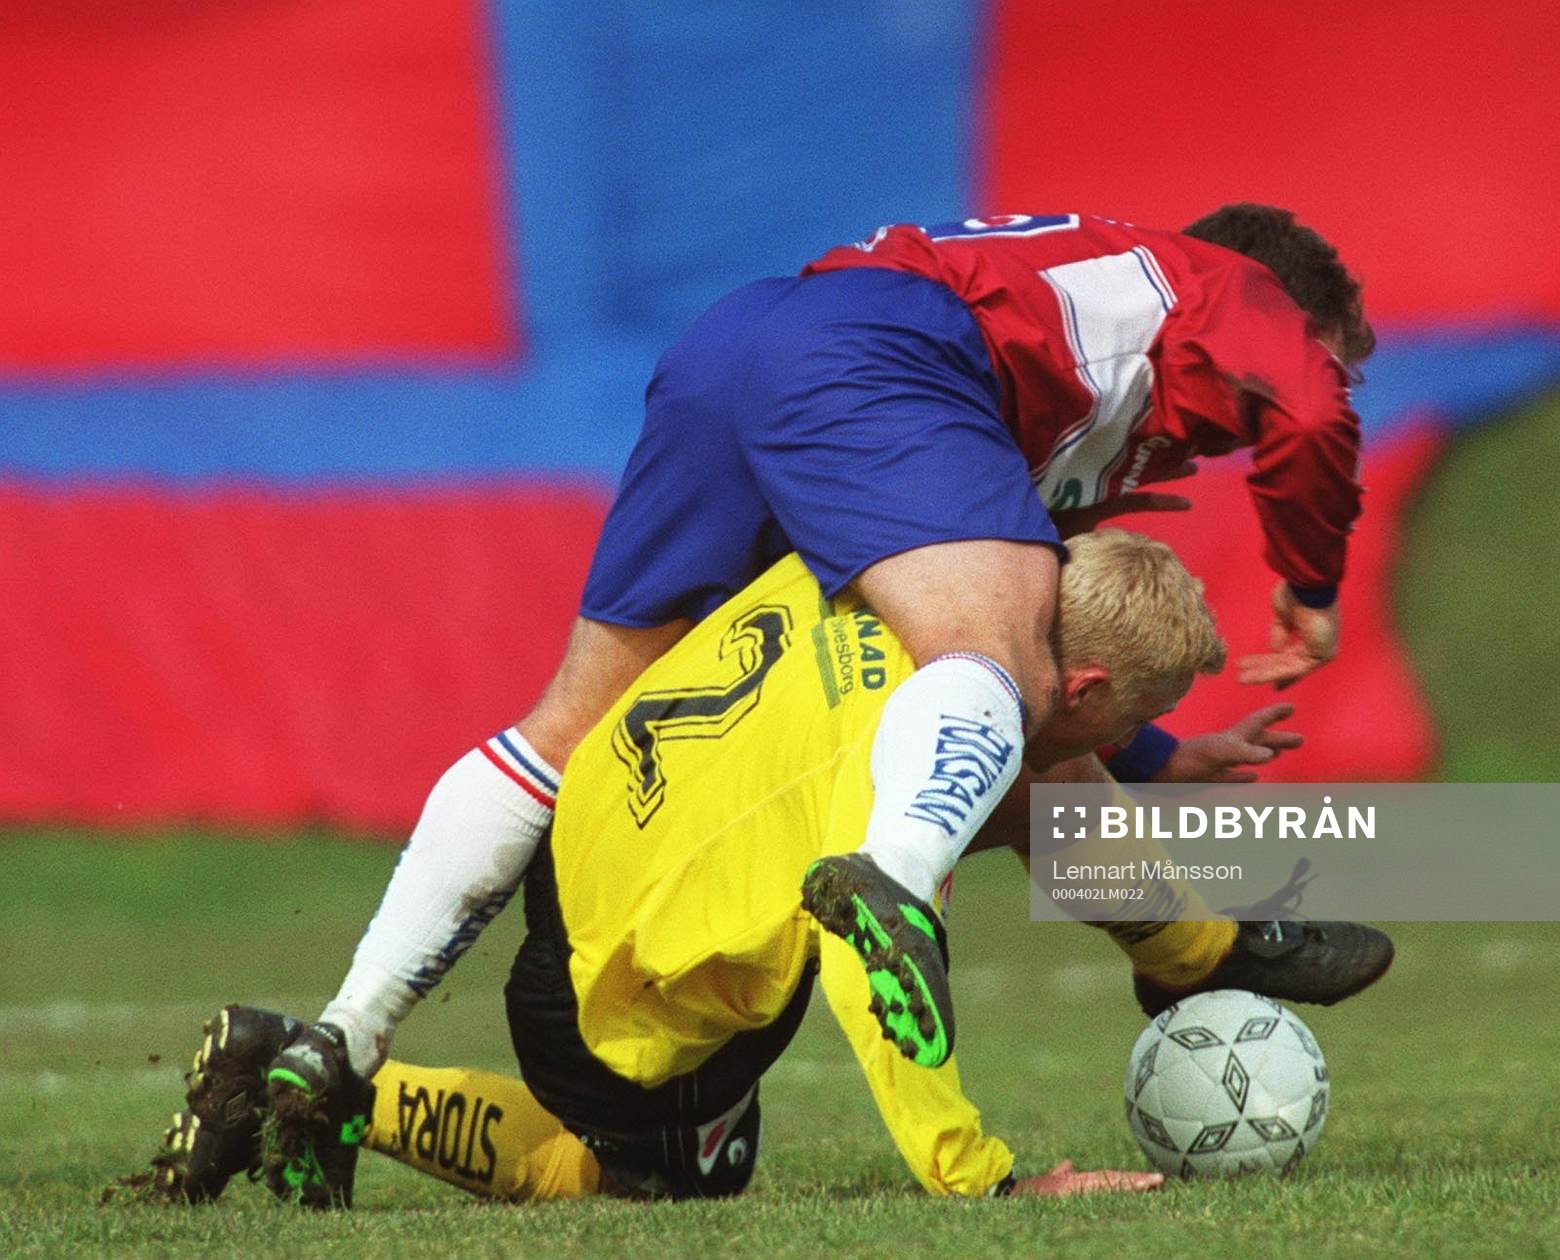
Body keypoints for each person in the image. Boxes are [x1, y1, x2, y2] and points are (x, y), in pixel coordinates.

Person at [274, 203, 1375, 1107]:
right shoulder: (1223, 289)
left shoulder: (1091, 358)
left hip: (742, 343)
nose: (1262, 417)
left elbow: (1043, 695)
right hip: (883, 347)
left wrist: (1151, 758)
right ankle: (898, 885)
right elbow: (1311, 412)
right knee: (999, 672)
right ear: (1279, 302)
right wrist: (1310, 583)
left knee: (562, 730)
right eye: (1329, 358)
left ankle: (339, 1039)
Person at [151, 532, 1391, 1206]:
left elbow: (1042, 747)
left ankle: (1196, 952)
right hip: (619, 984)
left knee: (1041, 782)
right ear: (1078, 684)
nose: (1127, 743)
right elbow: (875, 959)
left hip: (592, 837)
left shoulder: (915, 561)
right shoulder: (939, 752)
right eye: (1127, 718)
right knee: (650, 1177)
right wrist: (983, 1172)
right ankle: (319, 1086)